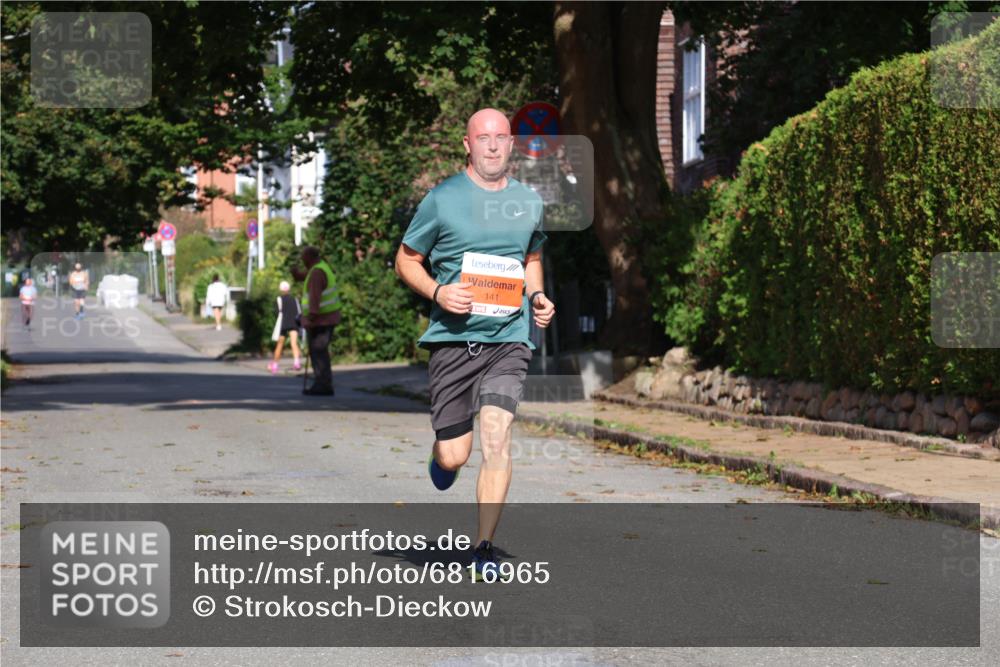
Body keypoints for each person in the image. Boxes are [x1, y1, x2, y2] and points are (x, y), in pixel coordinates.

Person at [395, 108, 555, 579]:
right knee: (455, 455)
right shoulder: (442, 200)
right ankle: (441, 455)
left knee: (497, 437)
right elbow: (406, 261)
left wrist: (539, 296)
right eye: (482, 138)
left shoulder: (528, 201)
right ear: (466, 144)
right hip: (453, 342)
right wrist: (439, 291)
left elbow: (530, 257)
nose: (491, 146)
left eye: (500, 138)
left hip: (509, 339)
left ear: (511, 145)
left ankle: (482, 548)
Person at [294, 246, 340, 395]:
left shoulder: (317, 272)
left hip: (321, 320)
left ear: (309, 257)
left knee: (318, 351)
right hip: (324, 318)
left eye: (303, 257)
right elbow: (303, 276)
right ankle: (322, 383)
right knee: (318, 351)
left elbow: (315, 298)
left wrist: (309, 319)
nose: (302, 260)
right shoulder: (319, 268)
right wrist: (296, 274)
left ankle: (323, 384)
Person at [269, 281, 303, 374]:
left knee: (280, 344)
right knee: (294, 343)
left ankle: (275, 365)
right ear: (289, 289)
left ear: (280, 289)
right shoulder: (295, 299)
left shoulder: (279, 299)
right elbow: (299, 312)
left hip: (283, 324)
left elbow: (276, 312)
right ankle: (297, 363)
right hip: (294, 323)